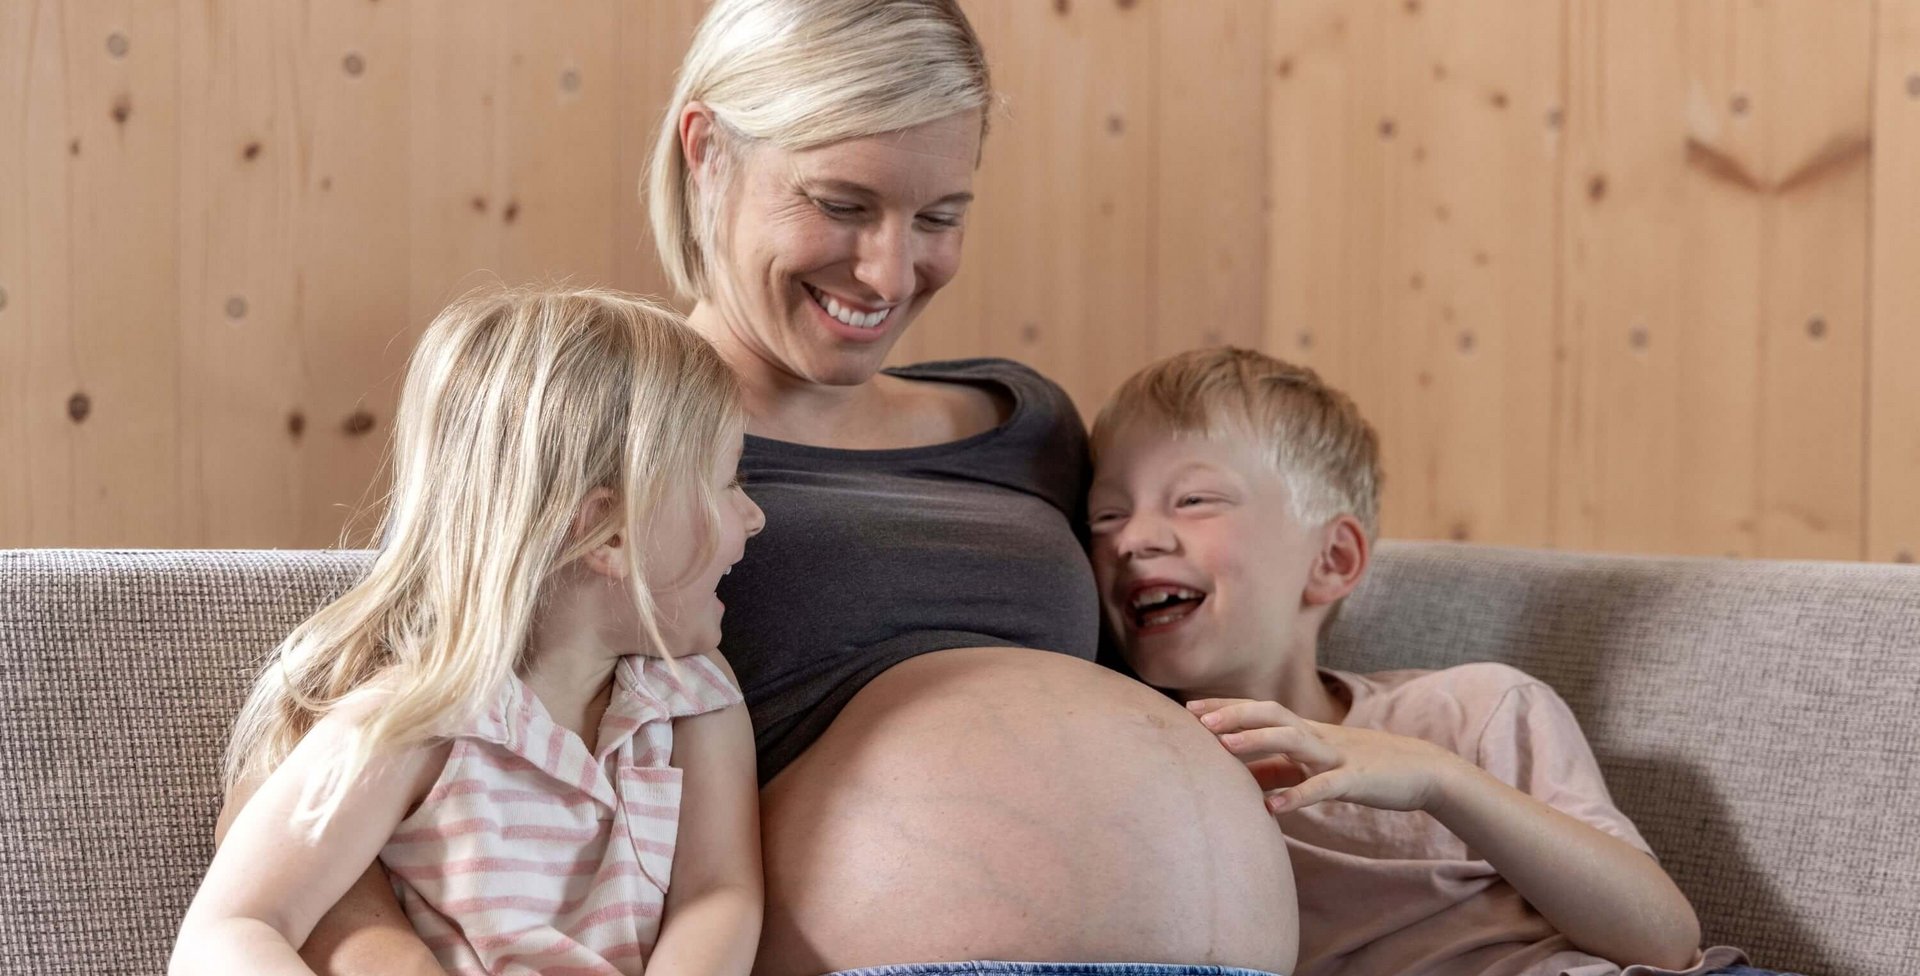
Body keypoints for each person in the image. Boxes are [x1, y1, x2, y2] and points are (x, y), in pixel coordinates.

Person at [224, 2, 1302, 975]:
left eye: (938, 217)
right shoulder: (606, 441)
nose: (889, 272)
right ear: (708, 154)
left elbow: (1196, 652)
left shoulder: (1032, 425)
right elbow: (356, 732)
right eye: (842, 203)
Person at [1084, 346, 1779, 976]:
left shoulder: (1475, 709)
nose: (1133, 540)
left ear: (1331, 560)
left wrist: (1440, 780)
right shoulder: (1134, 781)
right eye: (1104, 518)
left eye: (1194, 500)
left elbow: (1664, 939)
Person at [175, 286, 766, 976]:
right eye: (728, 483)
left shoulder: (693, 695)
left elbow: (719, 892)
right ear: (609, 532)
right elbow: (235, 924)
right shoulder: (416, 721)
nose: (753, 517)